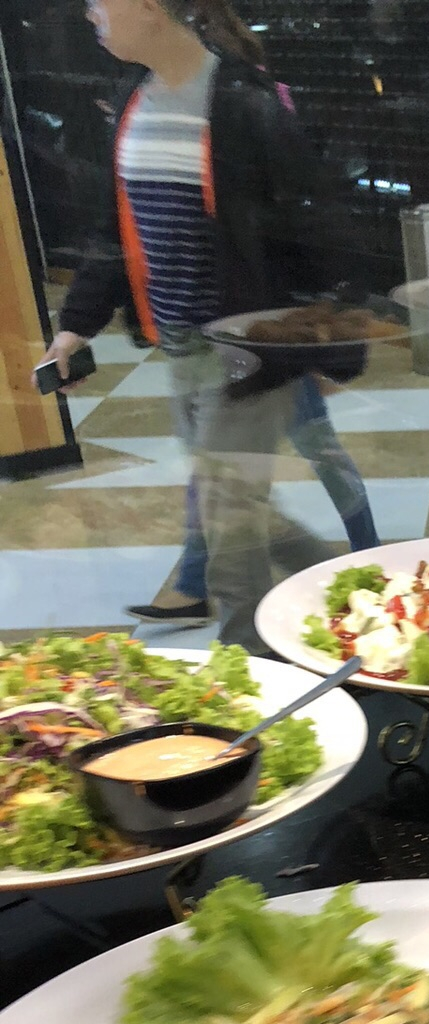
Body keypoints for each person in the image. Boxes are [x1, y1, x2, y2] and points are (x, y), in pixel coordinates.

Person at [37, 0, 345, 649]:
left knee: (230, 539)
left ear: (149, 7)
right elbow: (115, 227)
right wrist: (76, 326)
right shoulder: (133, 98)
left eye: (100, 2)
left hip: (247, 353)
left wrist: (326, 346)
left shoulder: (240, 102)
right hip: (181, 348)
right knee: (236, 506)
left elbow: (310, 226)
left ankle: (250, 679)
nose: (90, 14)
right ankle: (348, 596)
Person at [129, 373, 379, 623]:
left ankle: (362, 561)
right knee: (218, 487)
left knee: (320, 460)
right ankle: (193, 587)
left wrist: (320, 366)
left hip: (258, 373)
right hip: (206, 371)